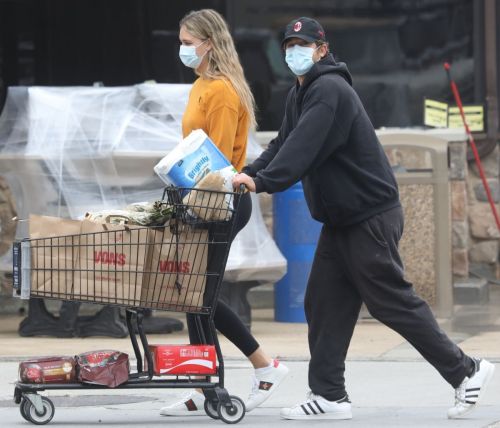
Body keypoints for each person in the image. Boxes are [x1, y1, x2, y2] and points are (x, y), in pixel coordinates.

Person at [233, 16, 495, 421]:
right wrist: (250, 173)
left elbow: (302, 148)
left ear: (322, 50)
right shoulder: (300, 93)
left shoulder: (330, 90)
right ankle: (329, 396)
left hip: (369, 216)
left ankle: (467, 371)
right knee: (323, 302)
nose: (294, 53)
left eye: (303, 45)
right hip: (343, 220)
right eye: (288, 46)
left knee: (391, 302)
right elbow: (284, 141)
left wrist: (262, 181)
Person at [159, 9, 288, 417]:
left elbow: (213, 162)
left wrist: (192, 195)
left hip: (219, 202)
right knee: (197, 296)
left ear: (208, 43)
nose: (181, 49)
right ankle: (214, 381)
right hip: (200, 200)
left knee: (199, 296)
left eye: (186, 43)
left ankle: (232, 379)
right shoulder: (201, 85)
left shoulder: (223, 92)